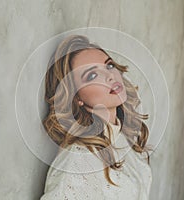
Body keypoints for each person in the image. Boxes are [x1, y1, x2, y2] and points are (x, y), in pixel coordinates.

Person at [40, 35, 152, 200]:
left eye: (109, 65)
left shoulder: (123, 135)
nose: (110, 76)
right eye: (92, 75)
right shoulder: (78, 162)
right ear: (76, 97)